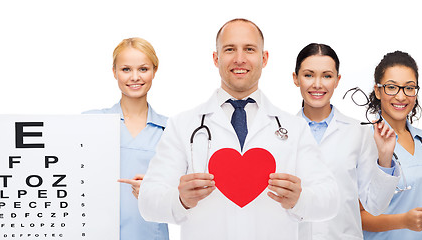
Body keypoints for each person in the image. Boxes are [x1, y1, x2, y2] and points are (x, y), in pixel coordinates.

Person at [138, 18, 339, 240]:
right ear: (216, 58)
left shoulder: (294, 128)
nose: (239, 59)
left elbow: (330, 200)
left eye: (249, 49)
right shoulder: (183, 125)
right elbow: (148, 202)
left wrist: (300, 200)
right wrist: (180, 200)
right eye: (230, 49)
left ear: (264, 58)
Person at [0, 37, 169, 240]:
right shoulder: (90, 123)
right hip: (93, 231)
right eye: (126, 69)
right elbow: (41, 160)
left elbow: (183, 194)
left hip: (149, 233)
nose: (135, 77)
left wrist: (156, 192)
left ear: (154, 71)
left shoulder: (170, 130)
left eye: (143, 69)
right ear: (114, 72)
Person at [292, 43, 400, 240]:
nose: (317, 84)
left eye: (327, 76)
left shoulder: (358, 132)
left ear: (337, 80)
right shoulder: (282, 133)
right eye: (308, 75)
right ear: (296, 78)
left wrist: (385, 158)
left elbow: (374, 205)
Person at [360, 51, 422, 239]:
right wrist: (404, 221)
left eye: (409, 88)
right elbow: (357, 216)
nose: (401, 97)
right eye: (391, 87)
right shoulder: (361, 142)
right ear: (377, 91)